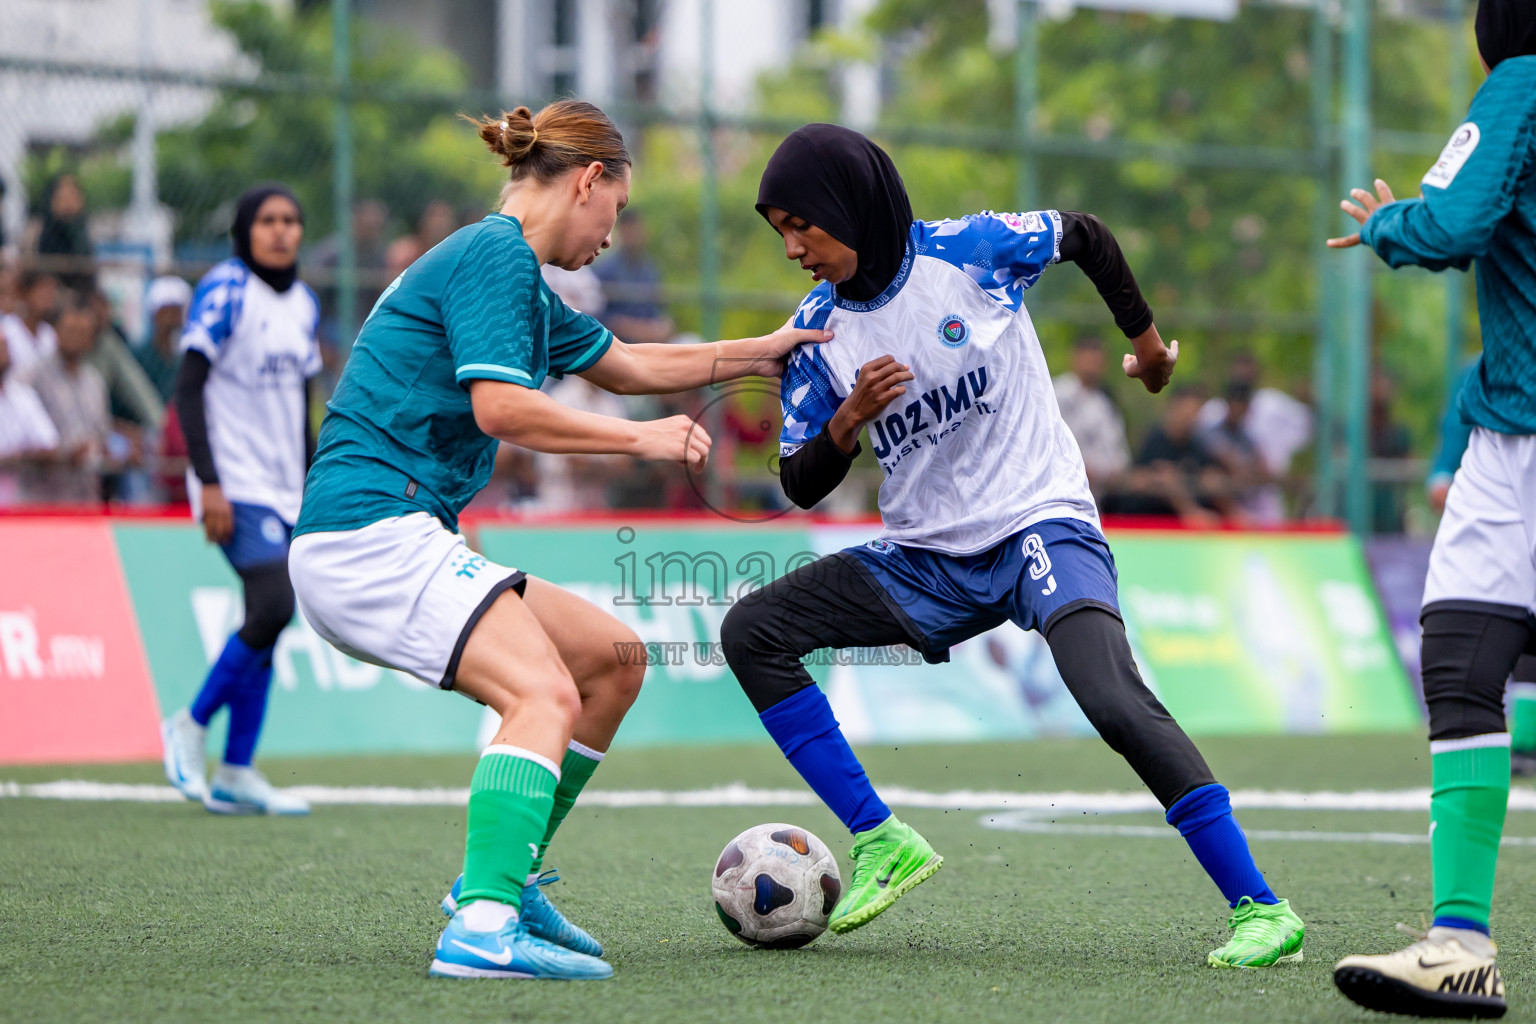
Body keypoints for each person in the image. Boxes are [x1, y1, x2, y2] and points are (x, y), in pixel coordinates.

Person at [722, 123, 1303, 969]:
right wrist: (846, 425)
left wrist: (1144, 346)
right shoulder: (814, 335)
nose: (791, 248)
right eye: (777, 230)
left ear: (848, 206)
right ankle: (882, 839)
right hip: (924, 559)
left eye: (801, 225)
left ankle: (1261, 907)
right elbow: (798, 482)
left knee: (1108, 697)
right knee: (752, 632)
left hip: (1040, 520)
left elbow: (1087, 237)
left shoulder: (972, 251)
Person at [284, 100, 827, 982]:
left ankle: (506, 877)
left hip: (393, 533)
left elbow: (630, 364)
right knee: (541, 695)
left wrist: (765, 349)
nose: (614, 232)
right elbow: (500, 408)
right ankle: (482, 923)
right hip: (370, 534)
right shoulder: (496, 256)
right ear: (588, 181)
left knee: (611, 660)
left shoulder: (513, 276)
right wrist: (641, 438)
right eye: (616, 206)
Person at [1325, 2, 1536, 1015]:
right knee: (1465, 651)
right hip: (1508, 424)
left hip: (1527, 426)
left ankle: (1460, 935)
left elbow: (1453, 221)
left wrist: (1386, 225)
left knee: (1463, 664)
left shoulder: (1526, 79)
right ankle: (1458, 941)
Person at [158, 184, 321, 819]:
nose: (281, 231)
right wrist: (210, 482)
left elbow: (303, 406)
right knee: (275, 602)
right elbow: (188, 389)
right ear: (245, 230)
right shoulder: (225, 290)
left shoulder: (304, 303)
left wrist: (314, 483)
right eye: (268, 220)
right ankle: (191, 724)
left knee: (270, 618)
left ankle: (236, 771)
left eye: (291, 220)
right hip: (235, 484)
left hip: (285, 489)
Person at [20, 294, 112, 505]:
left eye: (83, 332)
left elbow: (102, 434)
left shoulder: (94, 381)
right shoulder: (32, 376)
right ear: (57, 332)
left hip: (85, 497)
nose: (76, 337)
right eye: (70, 330)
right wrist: (61, 455)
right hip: (41, 499)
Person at [1052, 335, 1131, 503]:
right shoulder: (1056, 394)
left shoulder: (1105, 406)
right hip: (1056, 487)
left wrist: (1102, 471)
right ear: (1075, 357)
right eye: (1088, 358)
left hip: (1095, 494)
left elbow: (1119, 459)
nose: (1092, 365)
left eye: (1097, 360)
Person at [0, 323, 59, 506]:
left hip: (23, 508)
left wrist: (18, 458)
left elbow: (49, 448)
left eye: (4, 347)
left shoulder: (23, 396)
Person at [594, 209, 674, 344]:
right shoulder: (606, 269)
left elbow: (660, 310)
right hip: (617, 345)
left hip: (651, 342)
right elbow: (597, 314)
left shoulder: (650, 269)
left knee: (691, 340)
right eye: (629, 228)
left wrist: (664, 326)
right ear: (621, 231)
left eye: (637, 228)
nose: (634, 234)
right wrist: (632, 328)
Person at [136, 276, 193, 403]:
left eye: (175, 312)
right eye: (166, 312)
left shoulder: (186, 356)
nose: (171, 319)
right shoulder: (140, 356)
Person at [2, 270, 60, 372]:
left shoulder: (50, 334)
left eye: (51, 292)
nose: (47, 297)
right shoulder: (5, 329)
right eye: (42, 290)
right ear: (26, 293)